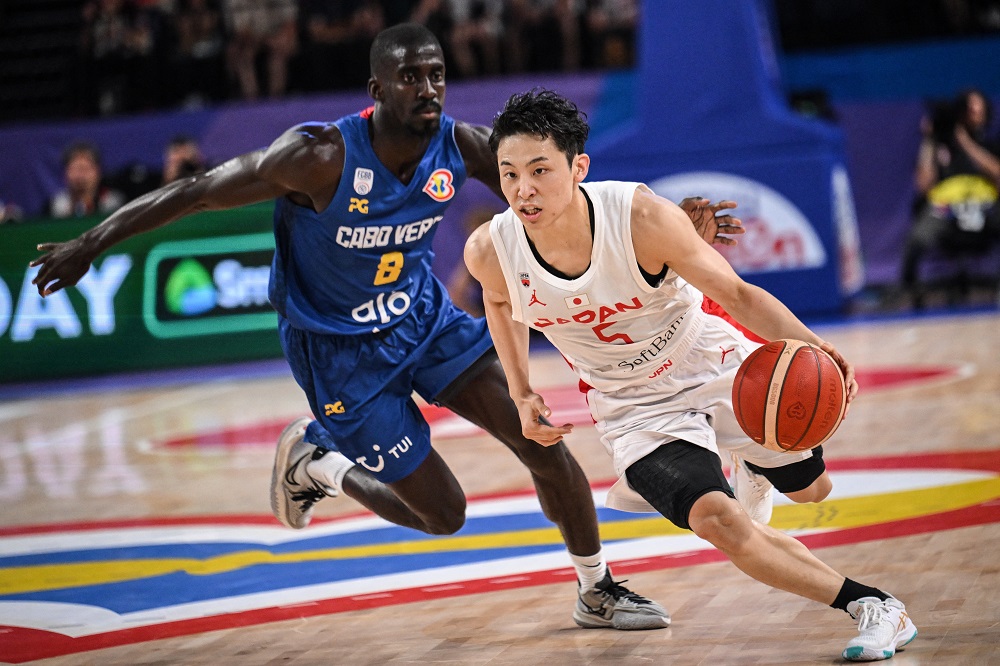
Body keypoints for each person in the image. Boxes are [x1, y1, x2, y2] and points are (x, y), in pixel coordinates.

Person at [29, 24, 738, 631]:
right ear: (377, 90)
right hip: (340, 356)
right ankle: (323, 465)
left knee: (541, 443)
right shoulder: (315, 157)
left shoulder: (460, 147)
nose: (427, 89)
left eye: (436, 75)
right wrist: (89, 242)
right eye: (409, 78)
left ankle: (595, 588)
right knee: (445, 516)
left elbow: (570, 195)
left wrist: (667, 229)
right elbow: (195, 191)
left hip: (423, 320)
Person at [464, 89, 919, 661]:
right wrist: (522, 391)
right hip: (634, 407)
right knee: (719, 520)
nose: (522, 189)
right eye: (509, 174)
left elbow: (735, 293)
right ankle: (873, 605)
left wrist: (816, 346)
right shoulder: (490, 250)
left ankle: (752, 462)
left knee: (813, 490)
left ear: (579, 167)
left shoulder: (643, 219)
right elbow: (500, 305)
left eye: (539, 171)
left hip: (711, 363)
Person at [900, 87, 1000, 306]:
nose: (973, 111)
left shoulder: (990, 144)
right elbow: (923, 183)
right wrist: (929, 139)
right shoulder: (941, 144)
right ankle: (911, 291)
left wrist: (965, 142)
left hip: (985, 205)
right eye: (969, 107)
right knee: (918, 237)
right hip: (946, 207)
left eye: (978, 107)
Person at [46, 140, 126, 219]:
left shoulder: (114, 204)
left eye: (86, 169)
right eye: (75, 169)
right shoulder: (55, 206)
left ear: (98, 172)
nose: (80, 176)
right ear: (65, 173)